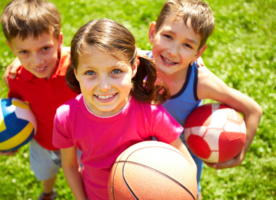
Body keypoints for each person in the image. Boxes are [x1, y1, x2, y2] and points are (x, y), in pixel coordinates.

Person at [52, 18, 197, 200]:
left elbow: (186, 161)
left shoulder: (149, 113)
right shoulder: (66, 117)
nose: (104, 86)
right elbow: (70, 166)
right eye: (90, 73)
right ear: (76, 73)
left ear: (134, 67)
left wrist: (191, 193)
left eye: (116, 71)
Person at [144, 0, 262, 199]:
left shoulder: (199, 81)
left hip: (182, 162)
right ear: (152, 32)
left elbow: (253, 110)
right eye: (167, 36)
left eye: (187, 45)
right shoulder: (134, 67)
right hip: (138, 158)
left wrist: (239, 155)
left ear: (198, 52)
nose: (173, 51)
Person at [0, 0, 78, 199]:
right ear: (12, 49)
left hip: (79, 142)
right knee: (45, 173)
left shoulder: (78, 67)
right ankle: (48, 193)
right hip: (42, 143)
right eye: (24, 52)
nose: (37, 62)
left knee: (83, 179)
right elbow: (17, 112)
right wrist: (6, 140)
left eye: (45, 48)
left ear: (59, 40)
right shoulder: (17, 79)